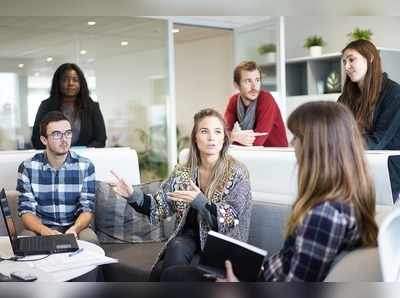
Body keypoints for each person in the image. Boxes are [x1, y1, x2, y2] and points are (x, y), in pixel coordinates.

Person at [163, 101, 378, 282]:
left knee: (173, 276)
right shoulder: (346, 201)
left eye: (297, 137)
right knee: (173, 265)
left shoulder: (325, 215)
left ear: (317, 146)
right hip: (262, 273)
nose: (292, 143)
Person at [111, 108, 252, 281]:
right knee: (176, 247)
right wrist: (133, 195)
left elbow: (231, 220)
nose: (211, 137)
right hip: (187, 239)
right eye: (204, 131)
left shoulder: (237, 173)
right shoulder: (183, 172)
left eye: (217, 131)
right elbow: (159, 207)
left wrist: (199, 201)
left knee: (164, 272)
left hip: (222, 244)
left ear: (224, 138)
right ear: (195, 137)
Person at [18, 111, 98, 244]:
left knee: (91, 240)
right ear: (44, 140)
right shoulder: (27, 167)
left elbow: (87, 209)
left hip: (75, 227)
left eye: (68, 133)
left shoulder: (85, 166)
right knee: (25, 240)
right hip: (41, 229)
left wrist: (74, 229)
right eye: (56, 134)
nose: (64, 139)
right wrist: (45, 232)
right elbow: (26, 211)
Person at [338, 39, 400, 202]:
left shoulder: (394, 94)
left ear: (370, 58)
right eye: (344, 62)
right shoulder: (346, 96)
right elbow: (334, 130)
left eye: (351, 59)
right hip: (354, 171)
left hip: (387, 176)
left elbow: (376, 142)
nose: (346, 67)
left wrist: (336, 147)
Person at [31, 63, 107, 149]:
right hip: (53, 159)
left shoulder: (92, 107)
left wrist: (82, 153)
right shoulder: (46, 106)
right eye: (65, 80)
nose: (70, 83)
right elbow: (36, 139)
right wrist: (57, 151)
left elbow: (101, 139)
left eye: (75, 80)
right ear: (58, 83)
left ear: (81, 83)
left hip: (85, 159)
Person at [224, 61, 288, 147]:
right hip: (249, 154)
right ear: (236, 85)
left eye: (257, 80)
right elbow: (223, 135)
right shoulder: (234, 100)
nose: (254, 87)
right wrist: (231, 137)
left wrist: (233, 137)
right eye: (248, 81)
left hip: (275, 154)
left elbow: (257, 141)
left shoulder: (266, 99)